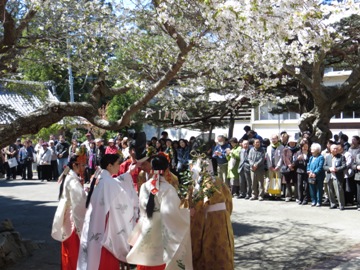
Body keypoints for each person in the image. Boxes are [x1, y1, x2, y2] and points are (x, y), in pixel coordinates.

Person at [126, 155, 192, 269]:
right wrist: (187, 213)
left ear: (152, 168)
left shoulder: (144, 186)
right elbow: (171, 213)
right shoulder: (168, 189)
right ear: (167, 170)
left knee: (146, 257)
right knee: (159, 260)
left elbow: (142, 209)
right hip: (160, 229)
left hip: (147, 225)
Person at [78, 154, 135, 270]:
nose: (120, 166)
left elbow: (116, 184)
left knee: (94, 257)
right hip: (106, 229)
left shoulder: (101, 178)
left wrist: (128, 173)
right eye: (118, 163)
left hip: (95, 224)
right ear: (109, 166)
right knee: (105, 260)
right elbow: (125, 204)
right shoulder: (109, 182)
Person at [51, 155, 87, 270]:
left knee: (68, 249)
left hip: (68, 217)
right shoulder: (73, 180)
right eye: (81, 165)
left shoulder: (70, 177)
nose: (84, 167)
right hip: (74, 219)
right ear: (74, 165)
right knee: (73, 250)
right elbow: (79, 203)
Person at [323, 144, 346, 210]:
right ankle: (333, 204)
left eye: (336, 148)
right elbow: (324, 166)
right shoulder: (328, 157)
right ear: (331, 150)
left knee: (339, 191)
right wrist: (329, 168)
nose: (336, 150)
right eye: (334, 148)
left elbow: (344, 166)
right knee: (330, 191)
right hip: (329, 176)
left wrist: (337, 169)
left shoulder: (341, 157)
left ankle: (341, 205)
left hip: (337, 176)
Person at [307, 143, 325, 207]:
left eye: (313, 149)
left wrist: (315, 173)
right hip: (311, 175)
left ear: (318, 150)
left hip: (318, 176)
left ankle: (318, 201)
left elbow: (320, 167)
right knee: (311, 189)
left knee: (319, 189)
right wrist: (308, 171)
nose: (312, 150)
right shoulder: (311, 157)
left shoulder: (321, 157)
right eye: (311, 149)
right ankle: (313, 201)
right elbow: (308, 164)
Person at [293, 140, 310, 205]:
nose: (305, 148)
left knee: (306, 185)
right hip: (299, 171)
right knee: (299, 185)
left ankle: (306, 199)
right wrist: (297, 159)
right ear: (301, 147)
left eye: (307, 146)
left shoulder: (310, 153)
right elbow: (294, 163)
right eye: (304, 146)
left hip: (307, 171)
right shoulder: (297, 153)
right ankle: (300, 198)